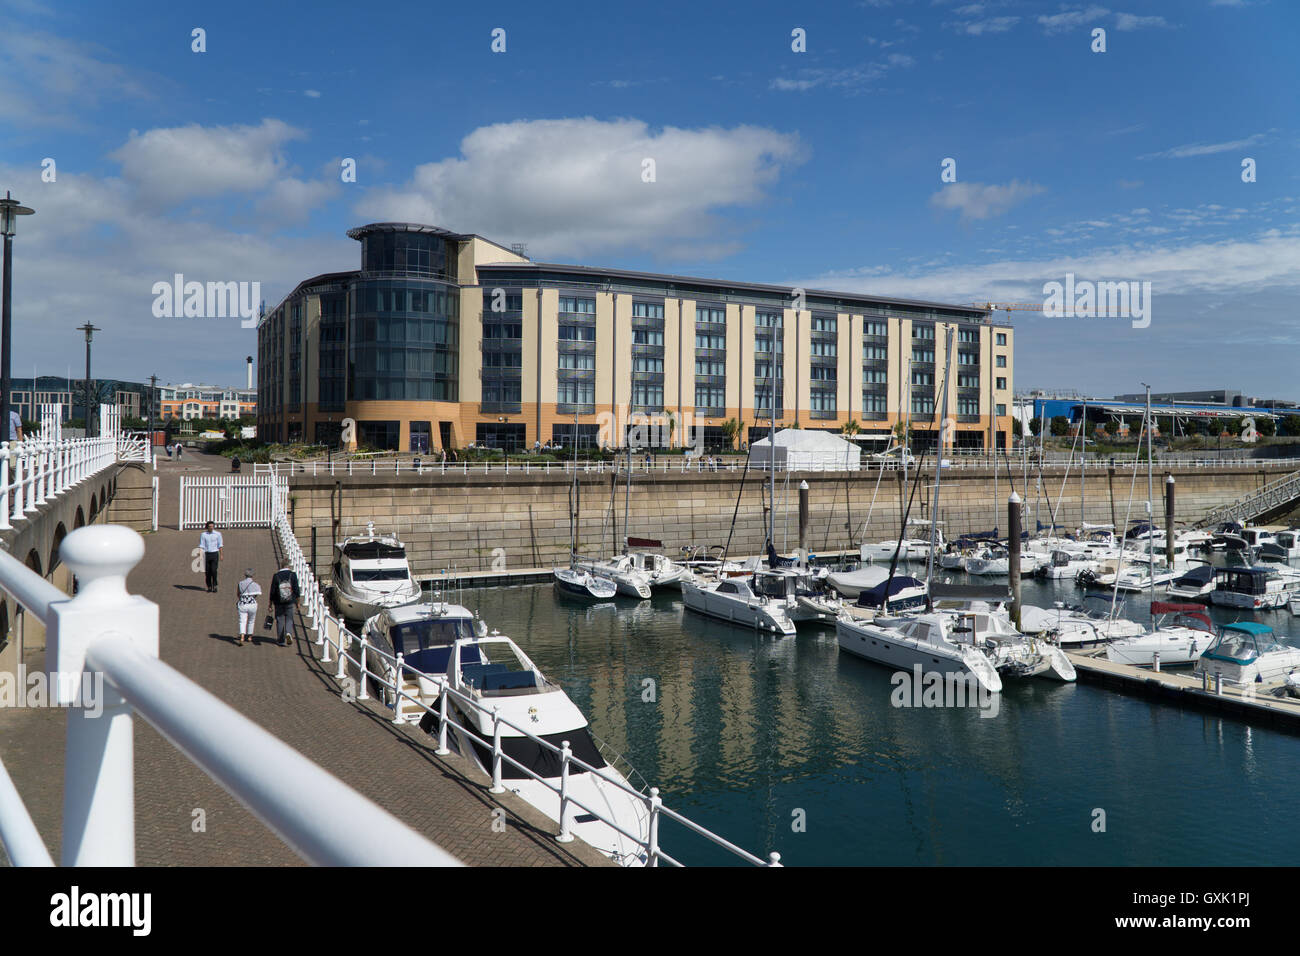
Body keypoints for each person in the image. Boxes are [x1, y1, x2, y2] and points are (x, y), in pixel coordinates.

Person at [269, 561, 301, 647]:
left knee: (280, 619)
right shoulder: (292, 575)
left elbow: (272, 591)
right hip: (290, 601)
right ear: (288, 566)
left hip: (278, 602)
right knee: (289, 619)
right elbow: (296, 589)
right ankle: (288, 633)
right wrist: (298, 602)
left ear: (281, 566)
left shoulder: (276, 576)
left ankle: (280, 640)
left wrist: (270, 603)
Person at [235, 569, 261, 646]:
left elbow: (238, 593)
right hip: (252, 604)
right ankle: (250, 636)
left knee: (242, 620)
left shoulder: (240, 583)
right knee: (251, 620)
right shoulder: (256, 585)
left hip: (243, 603)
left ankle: (242, 636)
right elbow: (257, 594)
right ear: (252, 575)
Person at [199, 520, 223, 592]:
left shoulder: (218, 534)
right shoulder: (203, 535)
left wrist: (221, 554)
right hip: (207, 554)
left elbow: (220, 545)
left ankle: (215, 585)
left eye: (212, 526)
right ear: (207, 527)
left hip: (215, 554)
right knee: (207, 572)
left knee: (214, 570)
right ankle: (209, 586)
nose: (211, 528)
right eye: (210, 526)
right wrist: (200, 555)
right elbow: (201, 545)